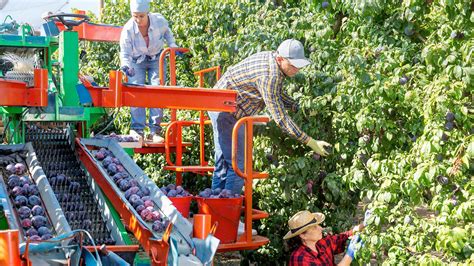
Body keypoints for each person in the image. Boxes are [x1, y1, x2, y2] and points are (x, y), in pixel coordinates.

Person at [208, 39, 332, 194]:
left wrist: (296, 106)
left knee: (224, 163)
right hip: (227, 111)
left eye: (300, 65)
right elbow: (281, 119)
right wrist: (311, 142)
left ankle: (214, 205)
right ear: (280, 59)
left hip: (219, 104)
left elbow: (276, 93)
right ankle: (226, 211)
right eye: (294, 65)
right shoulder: (269, 76)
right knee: (238, 166)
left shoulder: (272, 60)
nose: (297, 69)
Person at [119, 0, 179, 143]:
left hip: (156, 58)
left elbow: (168, 34)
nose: (138, 20)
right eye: (135, 16)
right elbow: (125, 53)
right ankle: (137, 130)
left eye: (141, 16)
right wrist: (126, 66)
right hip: (136, 61)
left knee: (157, 90)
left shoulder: (159, 20)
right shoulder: (128, 30)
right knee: (136, 92)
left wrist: (172, 46)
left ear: (147, 13)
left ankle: (154, 131)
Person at [284, 210, 369, 265]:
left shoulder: (321, 243)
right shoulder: (300, 258)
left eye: (318, 225)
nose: (320, 228)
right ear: (303, 235)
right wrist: (349, 255)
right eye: (314, 227)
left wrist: (364, 225)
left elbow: (344, 236)